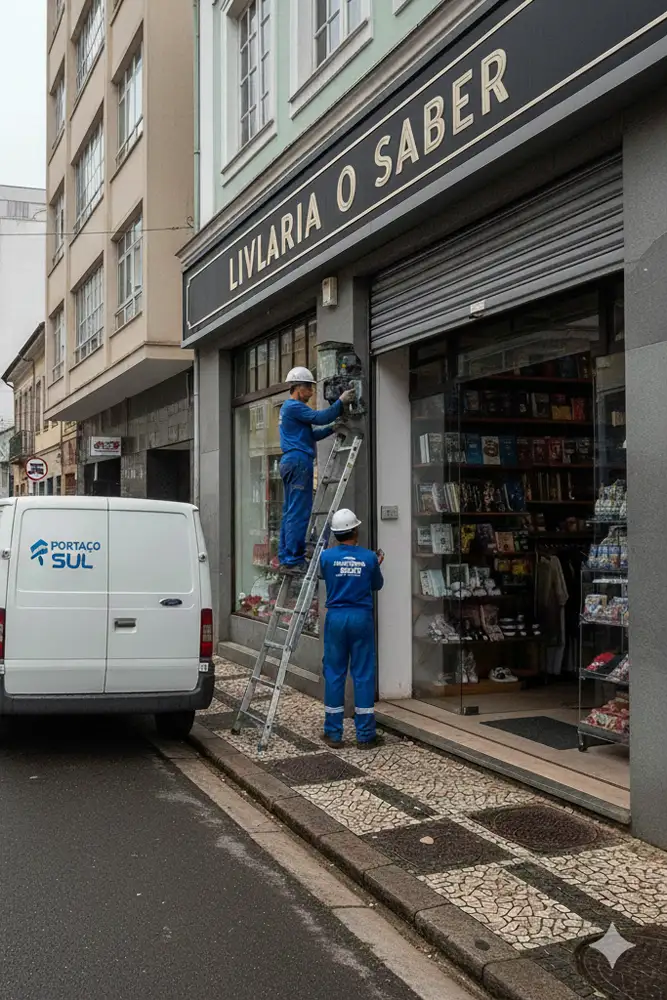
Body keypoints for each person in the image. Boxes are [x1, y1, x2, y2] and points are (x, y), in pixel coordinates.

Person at [278, 367, 356, 574]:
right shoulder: (294, 406)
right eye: (309, 388)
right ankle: (294, 558)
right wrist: (341, 402)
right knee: (299, 511)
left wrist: (332, 428)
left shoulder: (291, 410)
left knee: (289, 511)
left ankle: (287, 557)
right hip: (298, 461)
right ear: (296, 388)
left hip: (291, 460)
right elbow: (320, 417)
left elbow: (311, 435)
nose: (312, 392)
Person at [319, 509, 384, 748]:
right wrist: (374, 565)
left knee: (334, 672)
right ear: (356, 530)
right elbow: (377, 584)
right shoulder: (369, 558)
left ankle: (333, 732)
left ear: (335, 534)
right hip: (361, 617)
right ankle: (365, 735)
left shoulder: (325, 557)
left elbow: (325, 576)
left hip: (335, 618)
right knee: (363, 673)